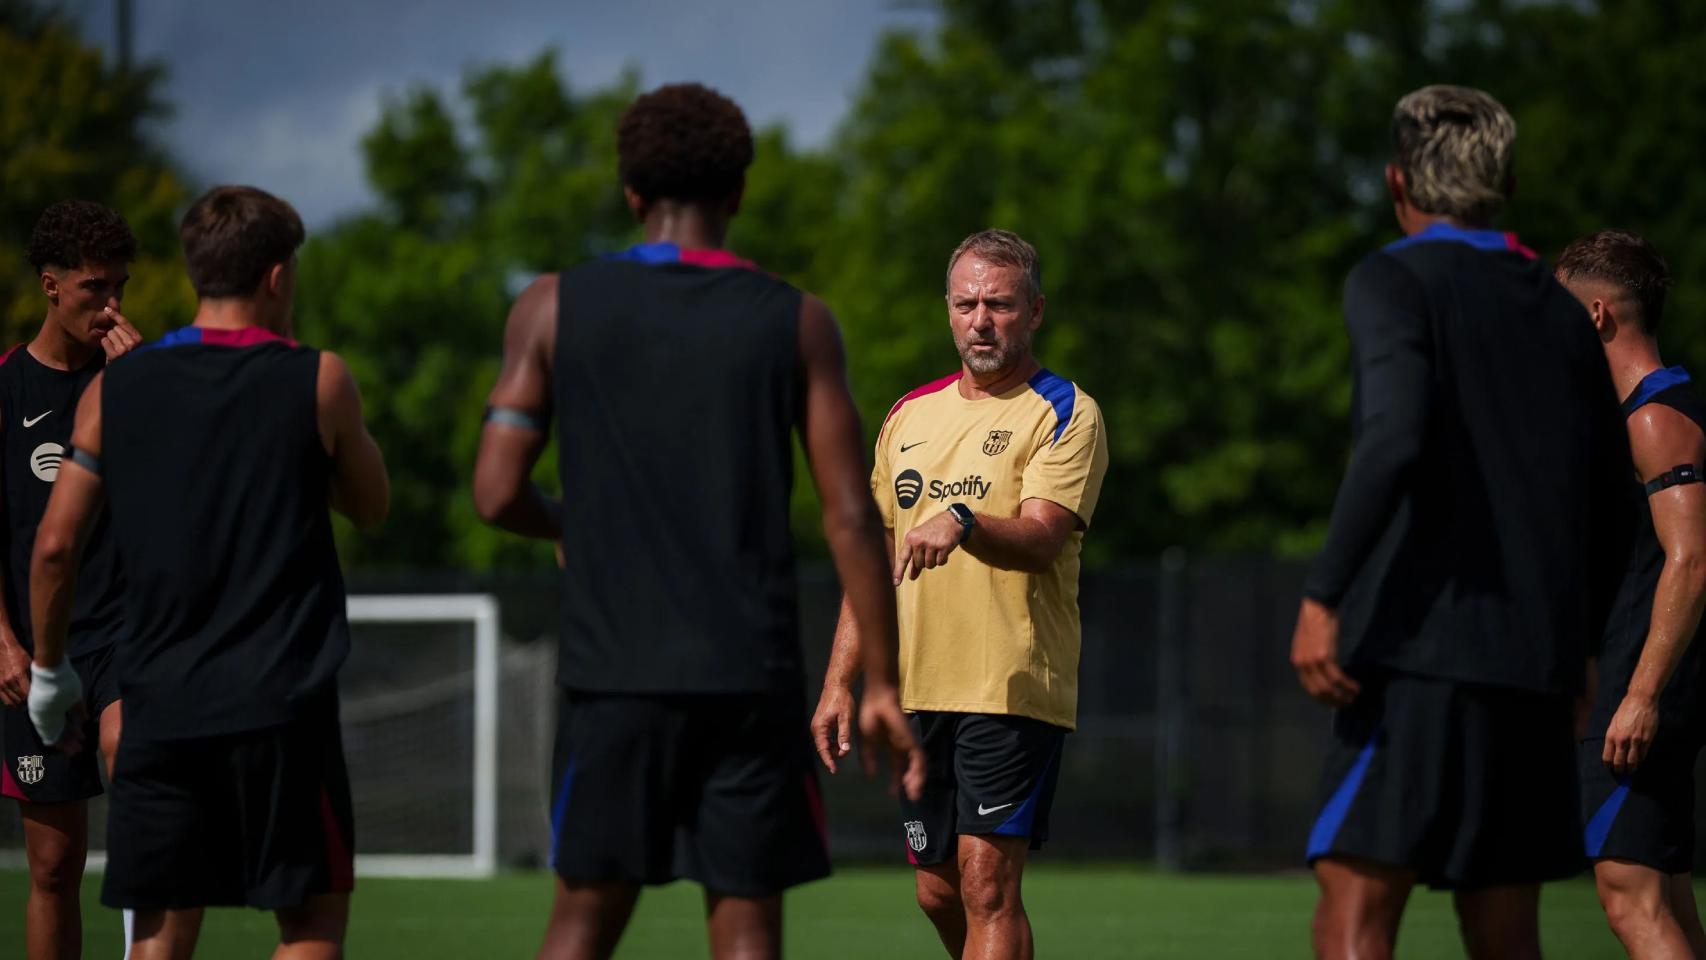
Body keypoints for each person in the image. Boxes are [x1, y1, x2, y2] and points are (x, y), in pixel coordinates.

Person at [471, 82, 923, 960]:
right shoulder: (797, 321)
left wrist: (569, 524)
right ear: (739, 192)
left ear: (631, 192)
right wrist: (881, 682)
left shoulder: (551, 306)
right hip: (748, 678)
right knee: (747, 930)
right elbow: (849, 515)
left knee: (580, 924)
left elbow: (494, 495)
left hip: (612, 677)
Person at [1289, 85, 1633, 960]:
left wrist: (1325, 594)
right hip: (1534, 669)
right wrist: (1583, 652)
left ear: (1397, 181)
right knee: (1505, 927)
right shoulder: (1564, 310)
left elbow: (1393, 436)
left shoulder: (1393, 278)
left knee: (1354, 910)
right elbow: (1611, 496)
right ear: (1506, 183)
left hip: (1415, 657)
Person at [26, 184, 389, 960]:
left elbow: (54, 546)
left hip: (159, 707)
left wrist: (50, 673)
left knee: (160, 936)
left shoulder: (118, 388)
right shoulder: (318, 378)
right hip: (283, 707)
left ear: (196, 270)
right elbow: (370, 506)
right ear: (279, 276)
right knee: (310, 927)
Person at [812, 228, 1108, 960]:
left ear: (1034, 311)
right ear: (947, 309)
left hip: (1009, 685)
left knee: (986, 886)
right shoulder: (908, 415)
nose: (981, 321)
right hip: (918, 688)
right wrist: (839, 682)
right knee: (938, 892)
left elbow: (1041, 537)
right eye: (966, 304)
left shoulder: (1064, 411)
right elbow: (874, 562)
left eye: (999, 305)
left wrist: (965, 521)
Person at [1556, 229, 1706, 959]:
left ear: (1596, 315)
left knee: (1628, 895)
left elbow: (1692, 561)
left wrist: (1640, 695)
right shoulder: (1645, 412)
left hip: (1646, 685)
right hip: (1637, 678)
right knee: (1666, 894)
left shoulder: (1655, 416)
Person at [1, 199, 143, 959]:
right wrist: (3, 645)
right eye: (95, 287)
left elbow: (179, 506)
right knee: (54, 867)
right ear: (51, 285)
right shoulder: (5, 389)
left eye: (121, 286)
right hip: (35, 648)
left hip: (128, 635)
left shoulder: (138, 380)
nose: (112, 305)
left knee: (136, 773)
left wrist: (144, 397)